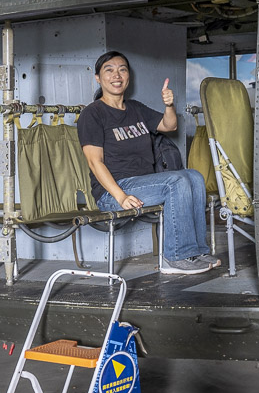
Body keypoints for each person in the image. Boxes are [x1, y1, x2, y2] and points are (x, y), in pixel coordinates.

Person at [78, 51, 217, 275]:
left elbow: (168, 126)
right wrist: (120, 196)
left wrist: (169, 105)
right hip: (114, 191)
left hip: (144, 183)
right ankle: (176, 257)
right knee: (177, 180)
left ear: (128, 76)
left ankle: (197, 251)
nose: (117, 75)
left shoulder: (135, 108)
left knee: (194, 176)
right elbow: (95, 163)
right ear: (97, 78)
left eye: (122, 69)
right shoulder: (93, 114)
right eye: (109, 70)